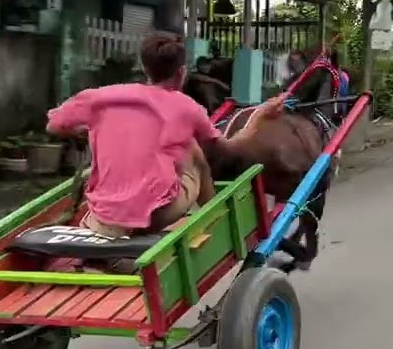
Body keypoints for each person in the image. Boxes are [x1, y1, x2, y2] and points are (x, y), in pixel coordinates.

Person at [46, 33, 284, 238]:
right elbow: (231, 148)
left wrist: (93, 130)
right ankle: (217, 219)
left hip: (104, 215)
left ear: (144, 68)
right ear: (181, 73)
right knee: (192, 150)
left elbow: (53, 126)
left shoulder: (98, 97)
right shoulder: (186, 107)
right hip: (155, 215)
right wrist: (261, 115)